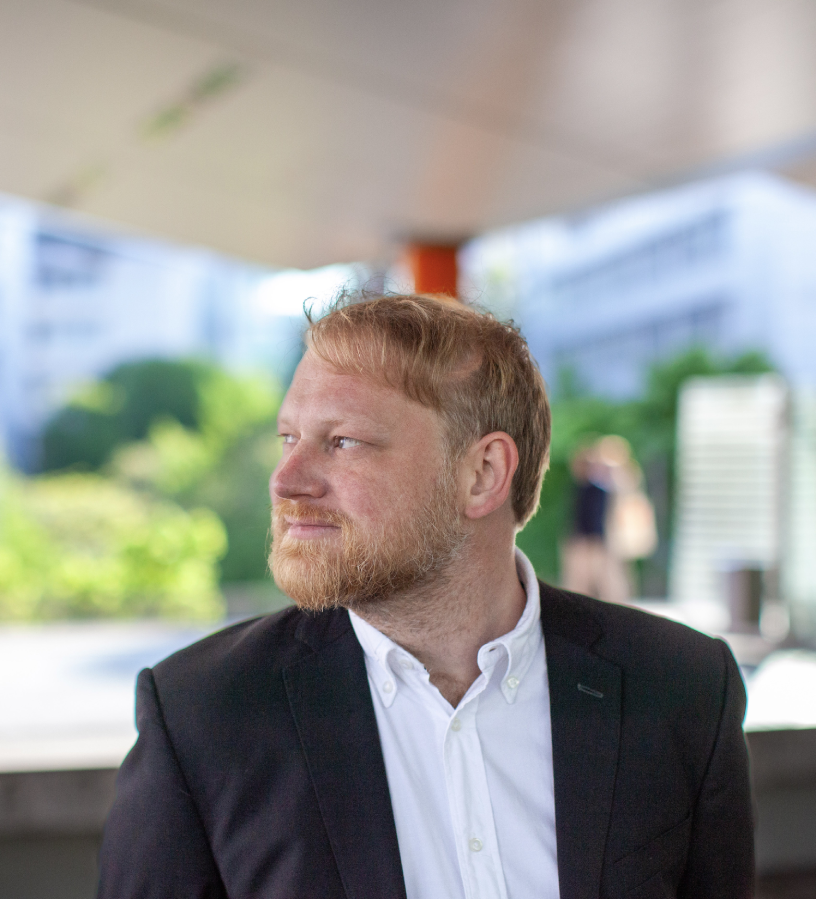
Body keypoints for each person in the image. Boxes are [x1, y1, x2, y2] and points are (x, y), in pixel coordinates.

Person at [97, 293, 753, 899]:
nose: (286, 480)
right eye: (289, 438)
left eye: (343, 441)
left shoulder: (682, 687)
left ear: (483, 473)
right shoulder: (201, 717)